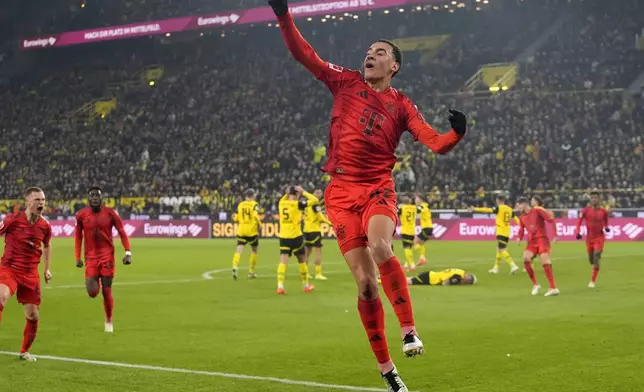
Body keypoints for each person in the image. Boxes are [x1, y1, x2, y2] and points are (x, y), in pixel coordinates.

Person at [269, 0, 467, 389]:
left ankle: (409, 330)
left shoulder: (402, 105)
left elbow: (435, 142)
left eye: (379, 52)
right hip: (340, 193)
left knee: (380, 247)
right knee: (364, 283)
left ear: (394, 65)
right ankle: (387, 370)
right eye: (368, 51)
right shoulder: (344, 81)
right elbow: (303, 54)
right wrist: (283, 16)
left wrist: (456, 134)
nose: (369, 55)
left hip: (377, 185)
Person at [0, 187, 52, 361]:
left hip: (30, 273)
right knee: (1, 298)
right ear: (28, 202)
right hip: (9, 269)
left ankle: (24, 352)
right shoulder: (12, 220)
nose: (41, 203)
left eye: (43, 200)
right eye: (37, 199)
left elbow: (47, 245)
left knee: (32, 315)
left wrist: (46, 269)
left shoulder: (45, 226)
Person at [75, 187, 132, 333]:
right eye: (92, 195)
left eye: (97, 196)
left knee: (107, 291)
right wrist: (78, 257)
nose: (94, 198)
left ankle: (109, 319)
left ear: (102, 198)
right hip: (90, 258)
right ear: (88, 199)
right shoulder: (81, 215)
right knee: (93, 292)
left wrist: (128, 252)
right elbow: (78, 237)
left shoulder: (110, 213)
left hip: (107, 256)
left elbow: (122, 232)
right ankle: (96, 280)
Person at [515, 196, 559, 297]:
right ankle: (535, 285)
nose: (518, 208)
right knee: (526, 258)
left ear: (524, 204)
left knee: (544, 260)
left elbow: (551, 220)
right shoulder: (522, 217)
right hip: (532, 242)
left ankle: (553, 288)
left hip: (542, 239)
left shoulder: (537, 210)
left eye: (519, 206)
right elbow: (521, 230)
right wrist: (519, 237)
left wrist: (555, 235)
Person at [276, 186, 316, 294]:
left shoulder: (281, 203)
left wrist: (287, 192)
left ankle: (280, 286)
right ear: (297, 195)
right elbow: (315, 200)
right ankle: (306, 285)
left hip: (284, 236)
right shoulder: (298, 204)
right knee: (301, 260)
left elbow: (285, 197)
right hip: (296, 236)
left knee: (283, 261)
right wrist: (304, 192)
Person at [469, 195, 520, 274]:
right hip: (507, 231)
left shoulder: (498, 208)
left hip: (501, 230)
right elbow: (515, 218)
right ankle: (496, 268)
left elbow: (487, 210)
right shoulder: (509, 209)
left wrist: (475, 209)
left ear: (498, 201)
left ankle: (513, 265)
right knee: (498, 249)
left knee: (501, 249)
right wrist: (521, 225)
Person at [574, 192, 610, 288]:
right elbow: (579, 222)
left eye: (596, 197)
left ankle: (592, 281)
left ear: (599, 199)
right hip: (589, 239)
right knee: (592, 260)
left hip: (599, 237)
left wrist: (606, 227)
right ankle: (595, 264)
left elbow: (606, 221)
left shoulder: (603, 211)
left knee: (596, 255)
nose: (594, 199)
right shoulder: (585, 211)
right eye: (592, 197)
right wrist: (577, 232)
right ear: (590, 199)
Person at [232, 189, 262, 280]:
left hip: (241, 230)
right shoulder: (254, 204)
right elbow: (255, 216)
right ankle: (251, 272)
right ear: (252, 196)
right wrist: (260, 225)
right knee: (254, 249)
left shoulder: (240, 205)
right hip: (251, 230)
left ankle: (235, 265)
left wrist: (237, 220)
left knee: (239, 249)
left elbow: (236, 217)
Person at [303, 188, 331, 280]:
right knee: (318, 252)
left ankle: (305, 273)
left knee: (307, 252)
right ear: (313, 193)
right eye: (317, 192)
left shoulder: (307, 204)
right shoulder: (315, 204)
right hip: (314, 230)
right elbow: (321, 217)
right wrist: (331, 223)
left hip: (306, 230)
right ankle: (318, 273)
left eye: (320, 192)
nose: (319, 194)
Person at [398, 195, 420, 271]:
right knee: (410, 248)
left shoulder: (402, 208)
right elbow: (420, 209)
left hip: (405, 230)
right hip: (412, 231)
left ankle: (412, 265)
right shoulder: (414, 208)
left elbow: (396, 213)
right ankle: (407, 264)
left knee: (406, 248)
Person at [412, 195, 432, 266]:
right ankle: (422, 259)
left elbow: (417, 210)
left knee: (415, 242)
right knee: (419, 243)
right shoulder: (426, 206)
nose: (415, 201)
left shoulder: (422, 206)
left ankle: (423, 258)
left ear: (421, 200)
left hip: (427, 228)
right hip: (428, 228)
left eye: (416, 199)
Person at [408, 269, 477, 286]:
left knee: (408, 280)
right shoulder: (458, 276)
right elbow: (445, 283)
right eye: (469, 281)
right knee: (408, 282)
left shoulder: (461, 271)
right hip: (430, 278)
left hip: (430, 275)